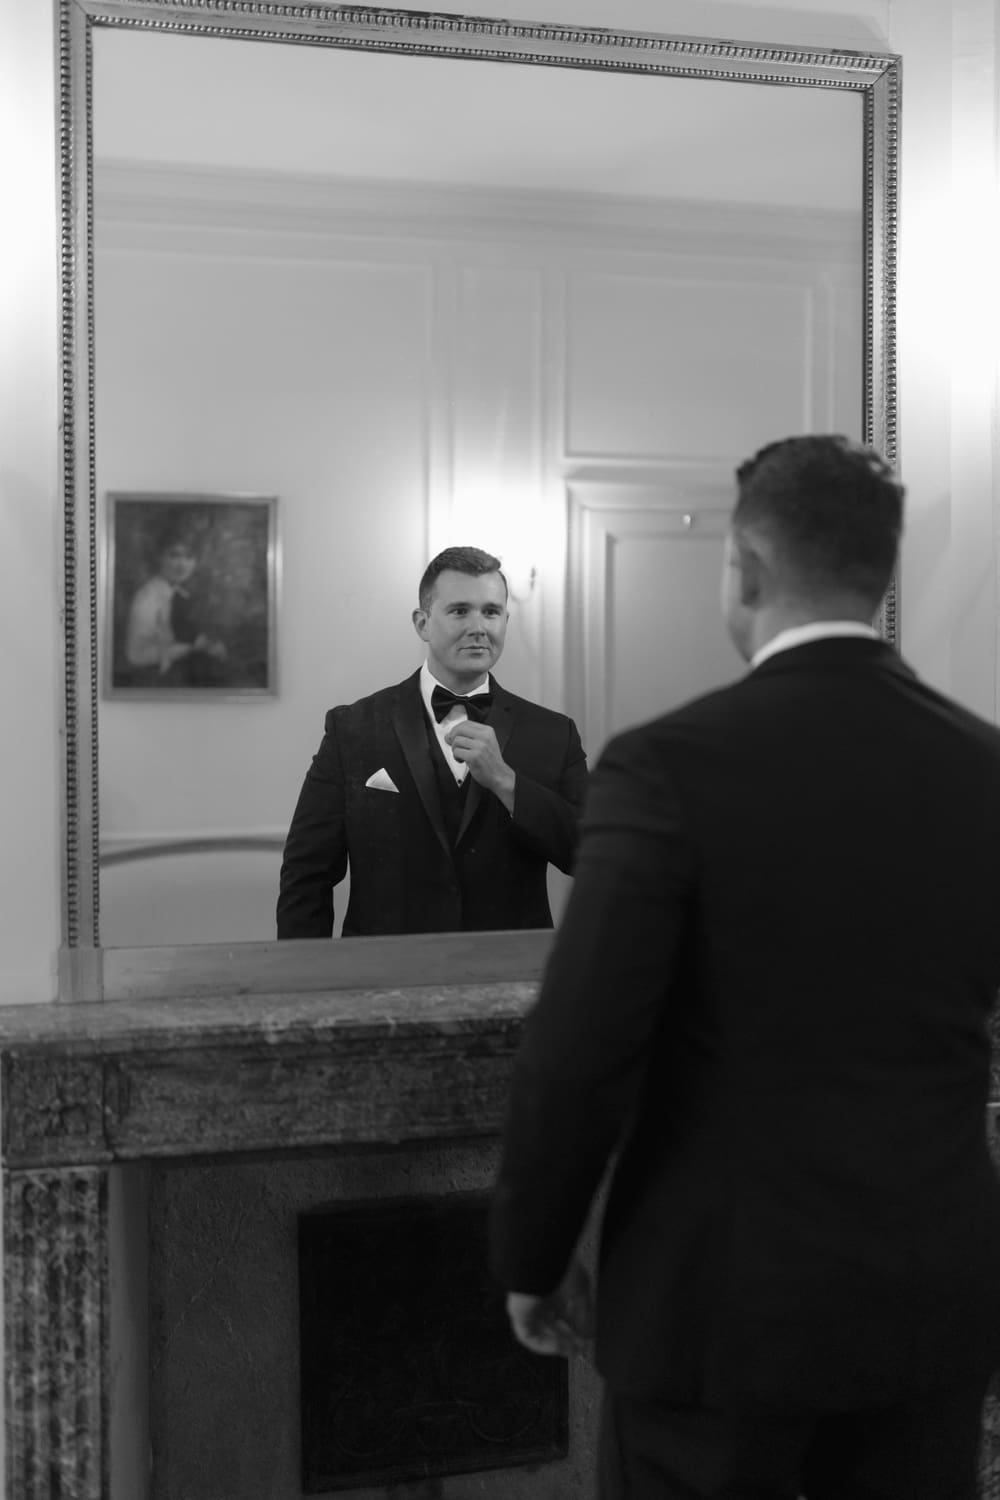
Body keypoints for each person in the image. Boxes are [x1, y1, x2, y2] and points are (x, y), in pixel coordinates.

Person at [489, 435, 1000, 1500]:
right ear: (879, 572)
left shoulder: (666, 765)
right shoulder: (981, 767)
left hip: (718, 1309)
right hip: (929, 1301)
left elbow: (579, 1053)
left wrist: (533, 1257)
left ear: (747, 571)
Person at [276, 545, 587, 937]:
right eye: (460, 611)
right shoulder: (352, 728)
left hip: (510, 973)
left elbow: (590, 855)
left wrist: (508, 784)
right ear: (422, 623)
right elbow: (307, 873)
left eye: (491, 612)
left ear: (506, 620)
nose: (479, 626)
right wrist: (306, 983)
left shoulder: (554, 733)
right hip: (384, 974)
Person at [122, 525, 227, 687]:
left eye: (189, 557)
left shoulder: (180, 594)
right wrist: (194, 647)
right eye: (174, 555)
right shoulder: (147, 598)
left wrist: (206, 644)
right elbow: (135, 656)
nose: (182, 564)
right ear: (159, 557)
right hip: (151, 684)